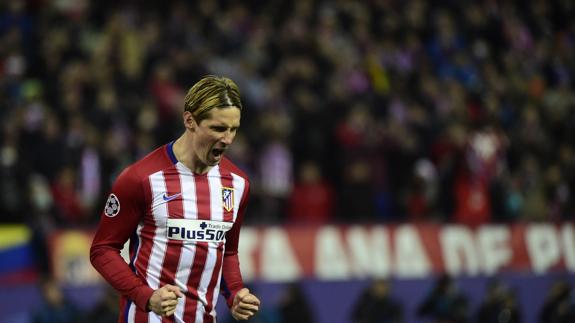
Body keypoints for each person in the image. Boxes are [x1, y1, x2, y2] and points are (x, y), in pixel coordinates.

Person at [90, 75, 260, 322]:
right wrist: (146, 296)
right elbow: (102, 250)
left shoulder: (237, 184)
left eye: (234, 129)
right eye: (218, 128)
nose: (228, 139)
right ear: (189, 120)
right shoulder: (141, 178)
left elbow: (227, 251)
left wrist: (235, 293)